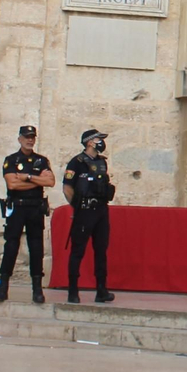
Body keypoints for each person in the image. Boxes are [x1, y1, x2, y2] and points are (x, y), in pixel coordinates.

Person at [0, 126, 55, 304]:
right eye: (26, 137)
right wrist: (37, 181)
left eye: (32, 137)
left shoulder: (41, 161)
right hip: (17, 208)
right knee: (11, 246)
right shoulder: (12, 160)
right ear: (19, 138)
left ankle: (37, 289)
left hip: (35, 208)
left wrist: (27, 177)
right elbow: (12, 185)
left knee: (36, 248)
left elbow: (50, 181)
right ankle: (3, 287)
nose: (30, 140)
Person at [62, 129, 116, 303]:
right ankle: (73, 291)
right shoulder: (76, 163)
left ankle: (101, 290)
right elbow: (67, 188)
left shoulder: (102, 162)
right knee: (78, 251)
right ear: (90, 142)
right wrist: (76, 207)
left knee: (101, 250)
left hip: (101, 210)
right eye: (99, 139)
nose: (101, 142)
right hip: (84, 211)